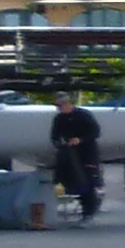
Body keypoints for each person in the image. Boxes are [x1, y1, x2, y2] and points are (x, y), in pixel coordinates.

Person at [47, 91, 103, 224]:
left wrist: (80, 139)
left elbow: (95, 132)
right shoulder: (59, 119)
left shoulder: (83, 115)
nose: (60, 108)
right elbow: (54, 136)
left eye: (62, 105)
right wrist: (60, 143)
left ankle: (88, 211)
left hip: (87, 153)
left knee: (88, 182)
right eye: (58, 106)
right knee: (70, 181)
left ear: (68, 103)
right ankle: (80, 203)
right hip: (69, 154)